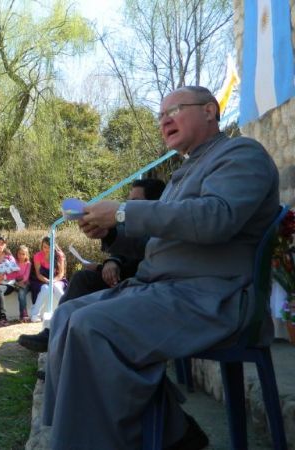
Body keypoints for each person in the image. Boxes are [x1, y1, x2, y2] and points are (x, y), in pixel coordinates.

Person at [39, 86, 280, 449]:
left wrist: (123, 210)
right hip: (164, 291)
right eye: (161, 115)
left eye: (175, 110)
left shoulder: (241, 154)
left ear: (210, 112)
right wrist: (112, 231)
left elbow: (216, 219)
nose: (164, 119)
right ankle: (172, 430)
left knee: (92, 327)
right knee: (66, 316)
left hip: (216, 295)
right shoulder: (185, 173)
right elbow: (157, 244)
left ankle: (140, 435)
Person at [19, 178, 166, 351]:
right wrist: (108, 261)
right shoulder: (133, 227)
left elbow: (142, 248)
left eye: (135, 203)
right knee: (83, 279)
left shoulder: (163, 228)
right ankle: (55, 343)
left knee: (82, 312)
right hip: (123, 281)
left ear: (154, 204)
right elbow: (130, 247)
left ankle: (57, 345)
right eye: (127, 203)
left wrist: (113, 260)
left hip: (143, 289)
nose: (128, 208)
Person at [28, 237, 67, 323]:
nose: (47, 249)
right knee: (45, 289)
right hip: (41, 279)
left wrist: (53, 281)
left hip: (57, 279)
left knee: (56, 287)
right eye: (45, 247)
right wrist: (47, 281)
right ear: (42, 246)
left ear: (54, 246)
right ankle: (35, 314)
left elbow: (61, 273)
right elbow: (38, 274)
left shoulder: (59, 255)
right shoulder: (38, 256)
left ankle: (66, 310)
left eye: (49, 247)